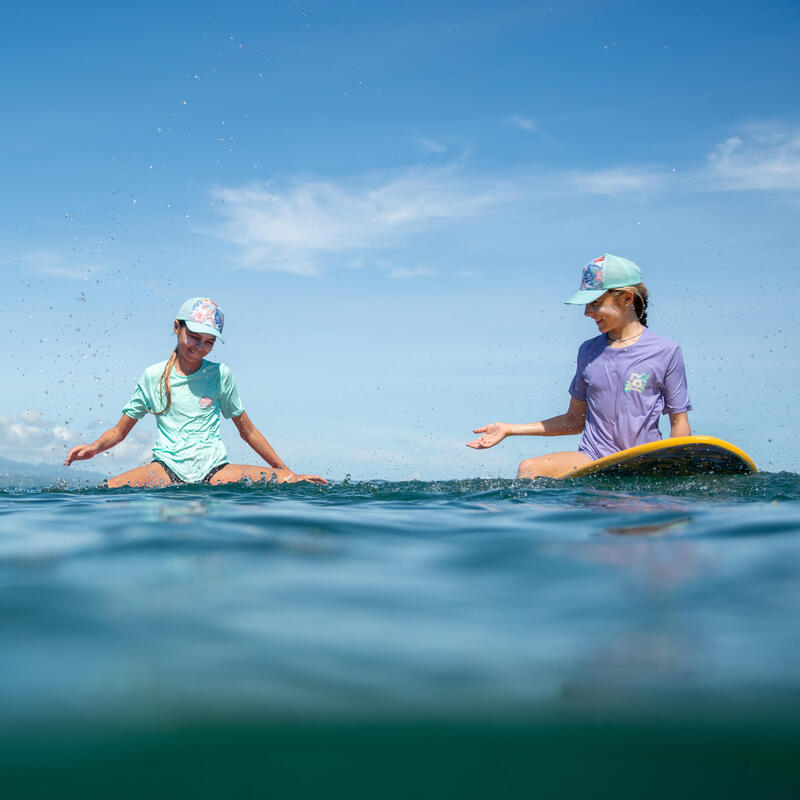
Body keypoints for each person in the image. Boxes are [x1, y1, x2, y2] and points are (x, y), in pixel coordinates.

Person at [466, 254, 692, 478]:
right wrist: (509, 428)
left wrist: (675, 468)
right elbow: (574, 421)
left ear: (626, 298)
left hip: (643, 459)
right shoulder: (588, 352)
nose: (587, 313)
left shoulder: (666, 351)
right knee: (529, 468)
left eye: (595, 303)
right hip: (594, 458)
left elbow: (679, 422)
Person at [64, 297, 327, 487]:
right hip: (166, 469)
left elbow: (248, 431)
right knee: (104, 492)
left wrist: (285, 471)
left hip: (216, 470)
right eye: (194, 336)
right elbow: (119, 431)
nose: (200, 346)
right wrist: (94, 448)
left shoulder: (220, 374)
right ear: (177, 327)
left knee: (290, 480)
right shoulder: (153, 377)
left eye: (209, 342)